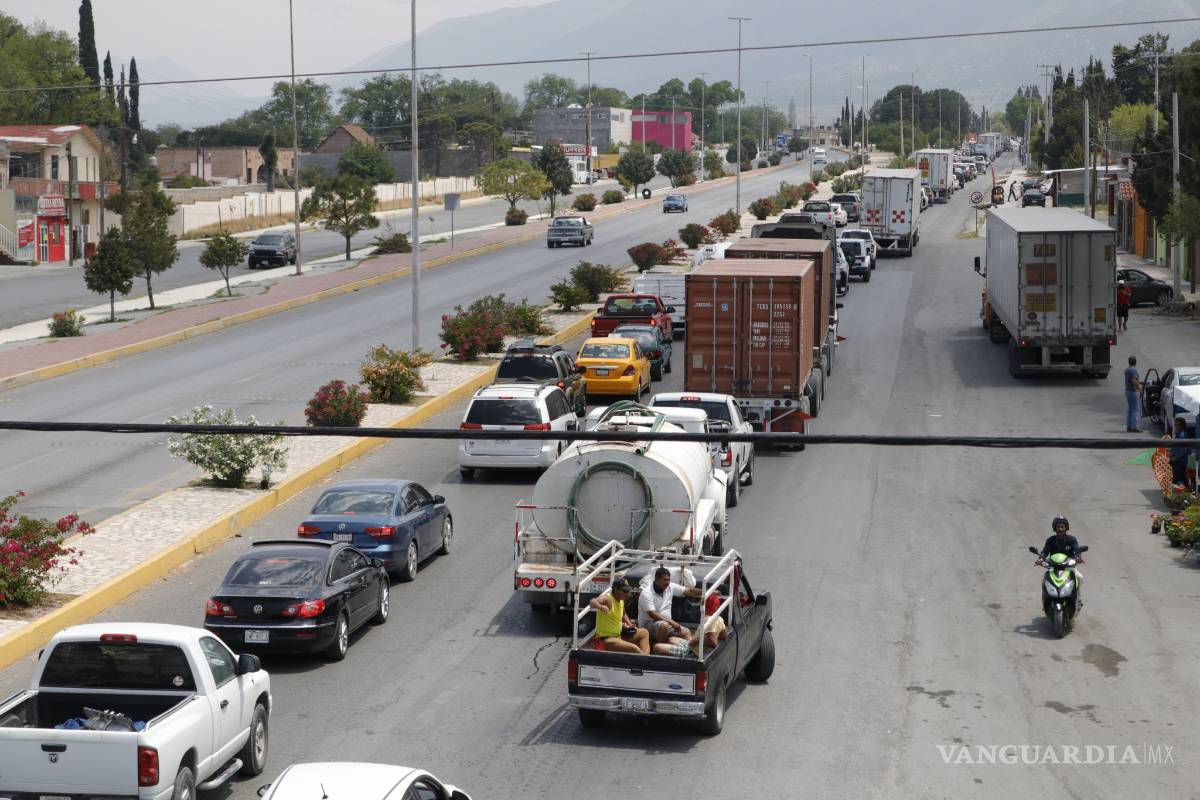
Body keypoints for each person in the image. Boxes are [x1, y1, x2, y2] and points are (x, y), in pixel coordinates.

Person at [638, 567, 701, 645]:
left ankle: (692, 652)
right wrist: (672, 623)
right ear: (657, 579)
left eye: (669, 580)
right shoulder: (647, 593)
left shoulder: (670, 586)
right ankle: (658, 651)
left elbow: (688, 591)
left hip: (668, 624)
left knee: (686, 632)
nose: (667, 582)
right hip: (648, 625)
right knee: (663, 625)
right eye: (665, 580)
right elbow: (653, 614)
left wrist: (707, 591)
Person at [588, 577, 649, 654]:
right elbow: (592, 601)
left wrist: (629, 624)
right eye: (624, 591)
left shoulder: (621, 600)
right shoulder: (608, 599)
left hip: (618, 637)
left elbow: (623, 614)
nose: (627, 593)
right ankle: (644, 661)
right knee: (635, 648)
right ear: (616, 589)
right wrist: (600, 607)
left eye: (627, 591)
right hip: (607, 640)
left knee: (644, 632)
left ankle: (646, 659)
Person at [1169, 417, 1191, 486]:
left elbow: (1184, 451)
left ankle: (1180, 494)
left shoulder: (1183, 436)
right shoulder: (1178, 434)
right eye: (1175, 424)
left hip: (1179, 462)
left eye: (1177, 425)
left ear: (1182, 426)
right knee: (1176, 479)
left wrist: (1174, 458)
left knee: (1179, 480)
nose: (1176, 426)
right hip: (1175, 461)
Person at [1124, 356, 1143, 432]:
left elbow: (1131, 379)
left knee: (1130, 409)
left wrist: (1139, 382)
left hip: (1127, 391)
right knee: (1135, 409)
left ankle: (1129, 426)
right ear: (1135, 362)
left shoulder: (1127, 370)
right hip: (1133, 392)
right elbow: (1133, 380)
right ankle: (1134, 427)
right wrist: (1139, 388)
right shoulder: (1133, 370)